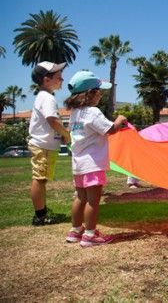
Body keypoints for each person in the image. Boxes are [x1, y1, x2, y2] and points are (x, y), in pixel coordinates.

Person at [64, 71, 128, 247]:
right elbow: (111, 130)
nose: (101, 94)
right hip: (92, 164)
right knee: (93, 200)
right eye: (98, 91)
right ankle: (90, 235)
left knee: (80, 197)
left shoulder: (75, 113)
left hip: (78, 164)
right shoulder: (93, 112)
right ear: (89, 94)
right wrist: (120, 119)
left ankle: (75, 231)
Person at [28, 61, 71, 226]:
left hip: (45, 145)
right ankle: (40, 216)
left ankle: (42, 212)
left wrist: (58, 136)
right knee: (39, 178)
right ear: (46, 79)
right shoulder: (47, 98)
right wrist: (66, 134)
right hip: (42, 145)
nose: (62, 79)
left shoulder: (45, 97)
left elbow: (50, 123)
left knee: (42, 179)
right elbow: (52, 121)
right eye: (58, 76)